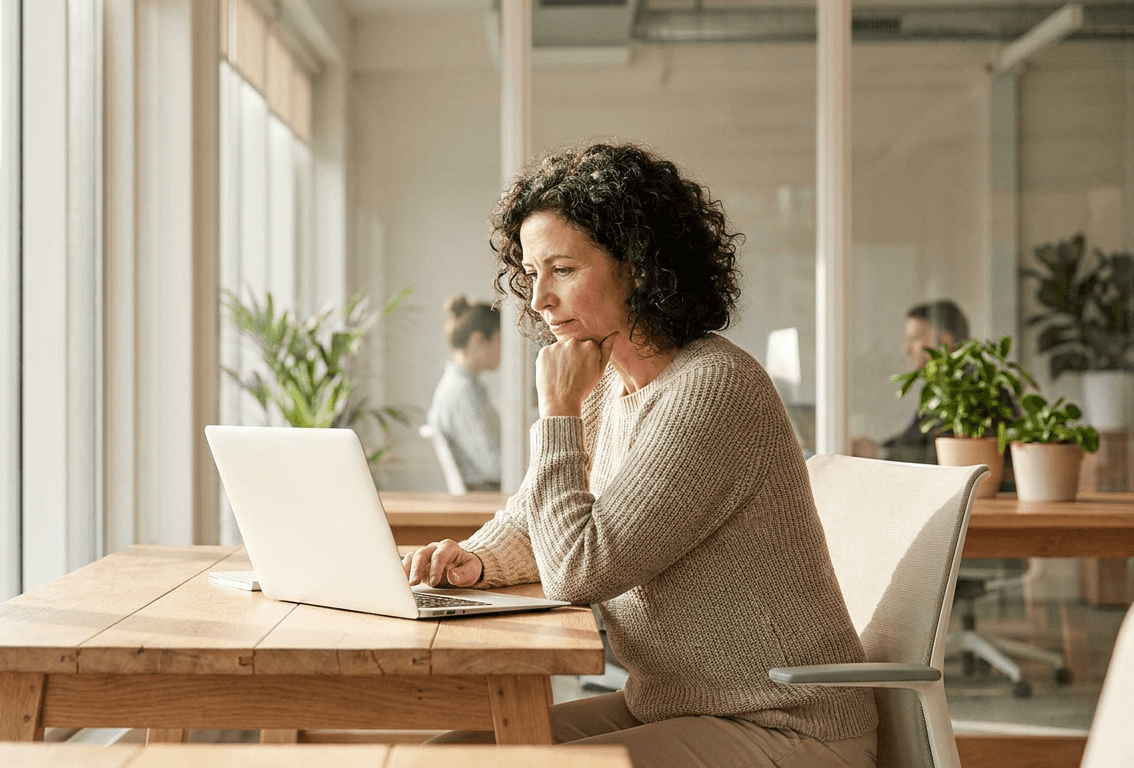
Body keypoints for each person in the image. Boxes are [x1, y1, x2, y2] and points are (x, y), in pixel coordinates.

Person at [403, 143, 877, 768]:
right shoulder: (607, 386)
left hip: (784, 723)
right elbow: (533, 520)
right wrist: (476, 561)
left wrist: (557, 413)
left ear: (639, 267)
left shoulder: (712, 389)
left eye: (563, 270)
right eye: (532, 272)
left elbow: (579, 569)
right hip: (672, 704)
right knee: (446, 757)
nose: (539, 297)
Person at [855, 300, 970, 464]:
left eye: (914, 338)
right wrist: (877, 449)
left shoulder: (969, 390)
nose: (906, 348)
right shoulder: (937, 389)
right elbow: (914, 439)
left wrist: (879, 453)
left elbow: (932, 455)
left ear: (945, 341)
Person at [426, 296, 503, 491]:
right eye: (500, 340)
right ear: (479, 340)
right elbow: (495, 466)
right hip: (485, 497)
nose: (504, 350)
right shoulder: (462, 392)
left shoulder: (465, 386)